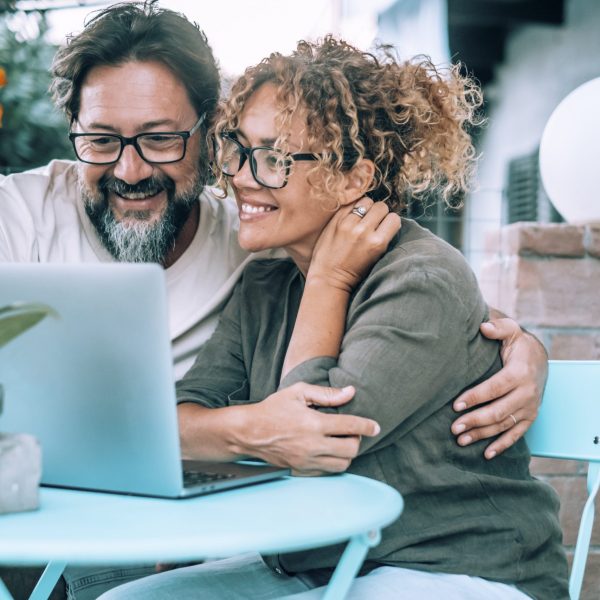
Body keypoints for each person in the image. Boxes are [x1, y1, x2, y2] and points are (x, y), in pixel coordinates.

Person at [0, 2, 548, 598]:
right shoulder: (266, 273)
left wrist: (330, 283)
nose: (241, 177)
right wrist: (247, 417)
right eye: (239, 150)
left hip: (449, 566)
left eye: (276, 159)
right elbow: (176, 415)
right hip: (312, 563)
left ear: (353, 178)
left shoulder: (411, 277)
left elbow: (315, 438)